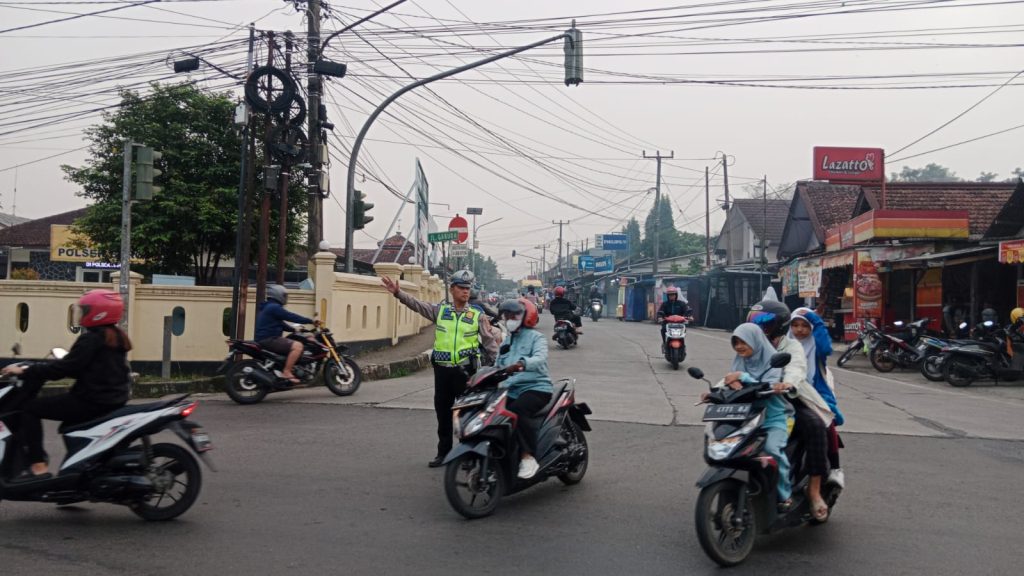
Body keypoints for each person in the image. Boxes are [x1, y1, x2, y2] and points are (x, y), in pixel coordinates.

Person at [0, 289, 132, 483]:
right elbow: (79, 367)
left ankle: (38, 466)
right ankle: (72, 477)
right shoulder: (116, 336)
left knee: (29, 409)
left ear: (98, 312)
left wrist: (26, 371)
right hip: (110, 399)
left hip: (91, 400)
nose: (81, 314)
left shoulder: (92, 338)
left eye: (84, 310)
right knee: (66, 424)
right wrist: (43, 367)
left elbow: (64, 368)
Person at [382, 269, 499, 468]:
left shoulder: (477, 316)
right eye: (461, 288)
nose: (465, 291)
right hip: (443, 373)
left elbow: (490, 343)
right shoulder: (441, 311)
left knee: (466, 415)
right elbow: (417, 306)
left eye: (467, 288)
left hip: (466, 373)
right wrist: (397, 293)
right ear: (452, 290)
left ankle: (467, 456)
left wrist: (497, 368)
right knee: (443, 414)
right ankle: (443, 454)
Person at [747, 299, 834, 521]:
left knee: (815, 426)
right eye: (754, 322)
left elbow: (797, 367)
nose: (758, 327)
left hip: (788, 397)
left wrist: (787, 383)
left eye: (764, 322)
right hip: (755, 398)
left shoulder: (791, 345)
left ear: (779, 325)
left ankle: (813, 490)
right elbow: (737, 370)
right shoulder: (750, 343)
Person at [704, 323, 794, 508]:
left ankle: (785, 494)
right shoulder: (739, 361)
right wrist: (714, 393)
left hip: (773, 419)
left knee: (772, 450)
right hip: (746, 419)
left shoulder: (772, 361)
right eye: (735, 342)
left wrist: (742, 378)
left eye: (743, 342)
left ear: (755, 340)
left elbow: (768, 384)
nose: (739, 347)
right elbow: (728, 381)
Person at [495, 298, 553, 480]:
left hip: (537, 387)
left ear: (526, 316)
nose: (510, 319)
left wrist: (521, 364)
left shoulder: (537, 338)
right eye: (507, 315)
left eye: (514, 315)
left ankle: (528, 456)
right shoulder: (506, 342)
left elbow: (540, 358)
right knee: (492, 413)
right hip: (511, 389)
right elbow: (497, 365)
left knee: (517, 410)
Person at [788, 307, 845, 489]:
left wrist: (817, 321)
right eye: (795, 325)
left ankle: (835, 468)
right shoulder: (785, 344)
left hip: (816, 392)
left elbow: (827, 349)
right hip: (788, 391)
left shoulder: (817, 346)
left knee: (827, 421)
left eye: (805, 326)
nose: (799, 330)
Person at [254, 284, 317, 385]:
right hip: (270, 339)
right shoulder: (274, 307)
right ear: (278, 295)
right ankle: (287, 372)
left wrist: (293, 329)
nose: (285, 298)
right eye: (284, 295)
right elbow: (291, 316)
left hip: (266, 338)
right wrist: (310, 321)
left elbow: (280, 324)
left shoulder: (269, 307)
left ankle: (284, 370)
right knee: (298, 346)